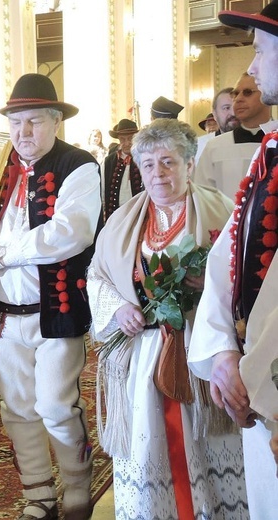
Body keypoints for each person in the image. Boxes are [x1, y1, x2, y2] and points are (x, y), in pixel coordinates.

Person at [87, 118, 246, 519]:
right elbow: (96, 276)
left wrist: (207, 280)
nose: (158, 174)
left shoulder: (222, 210)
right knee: (149, 447)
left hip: (200, 352)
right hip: (142, 355)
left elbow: (243, 278)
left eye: (168, 162)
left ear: (189, 165)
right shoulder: (122, 220)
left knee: (205, 447)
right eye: (148, 165)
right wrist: (119, 308)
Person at [0, 73, 100, 520]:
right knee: (18, 410)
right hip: (2, 316)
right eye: (16, 123)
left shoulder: (77, 164)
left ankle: (78, 491)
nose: (23, 133)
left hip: (55, 312)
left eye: (34, 121)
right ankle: (38, 495)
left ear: (56, 121)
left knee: (57, 407)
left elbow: (70, 233)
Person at [188, 2, 278, 518]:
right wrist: (223, 352)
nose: (254, 66)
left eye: (262, 50)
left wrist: (257, 373)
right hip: (254, 379)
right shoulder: (271, 149)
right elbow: (230, 254)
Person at [195, 73, 272, 197]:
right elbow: (203, 199)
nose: (238, 99)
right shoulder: (215, 147)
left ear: (267, 95)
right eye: (236, 94)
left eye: (247, 92)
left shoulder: (275, 142)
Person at [101, 118, 143, 222]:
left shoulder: (143, 158)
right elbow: (103, 190)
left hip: (139, 215)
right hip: (116, 215)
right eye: (122, 139)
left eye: (130, 139)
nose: (127, 143)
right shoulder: (109, 161)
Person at [194, 87, 238, 163]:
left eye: (237, 107)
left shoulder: (258, 143)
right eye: (226, 108)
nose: (233, 113)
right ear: (215, 114)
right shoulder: (200, 146)